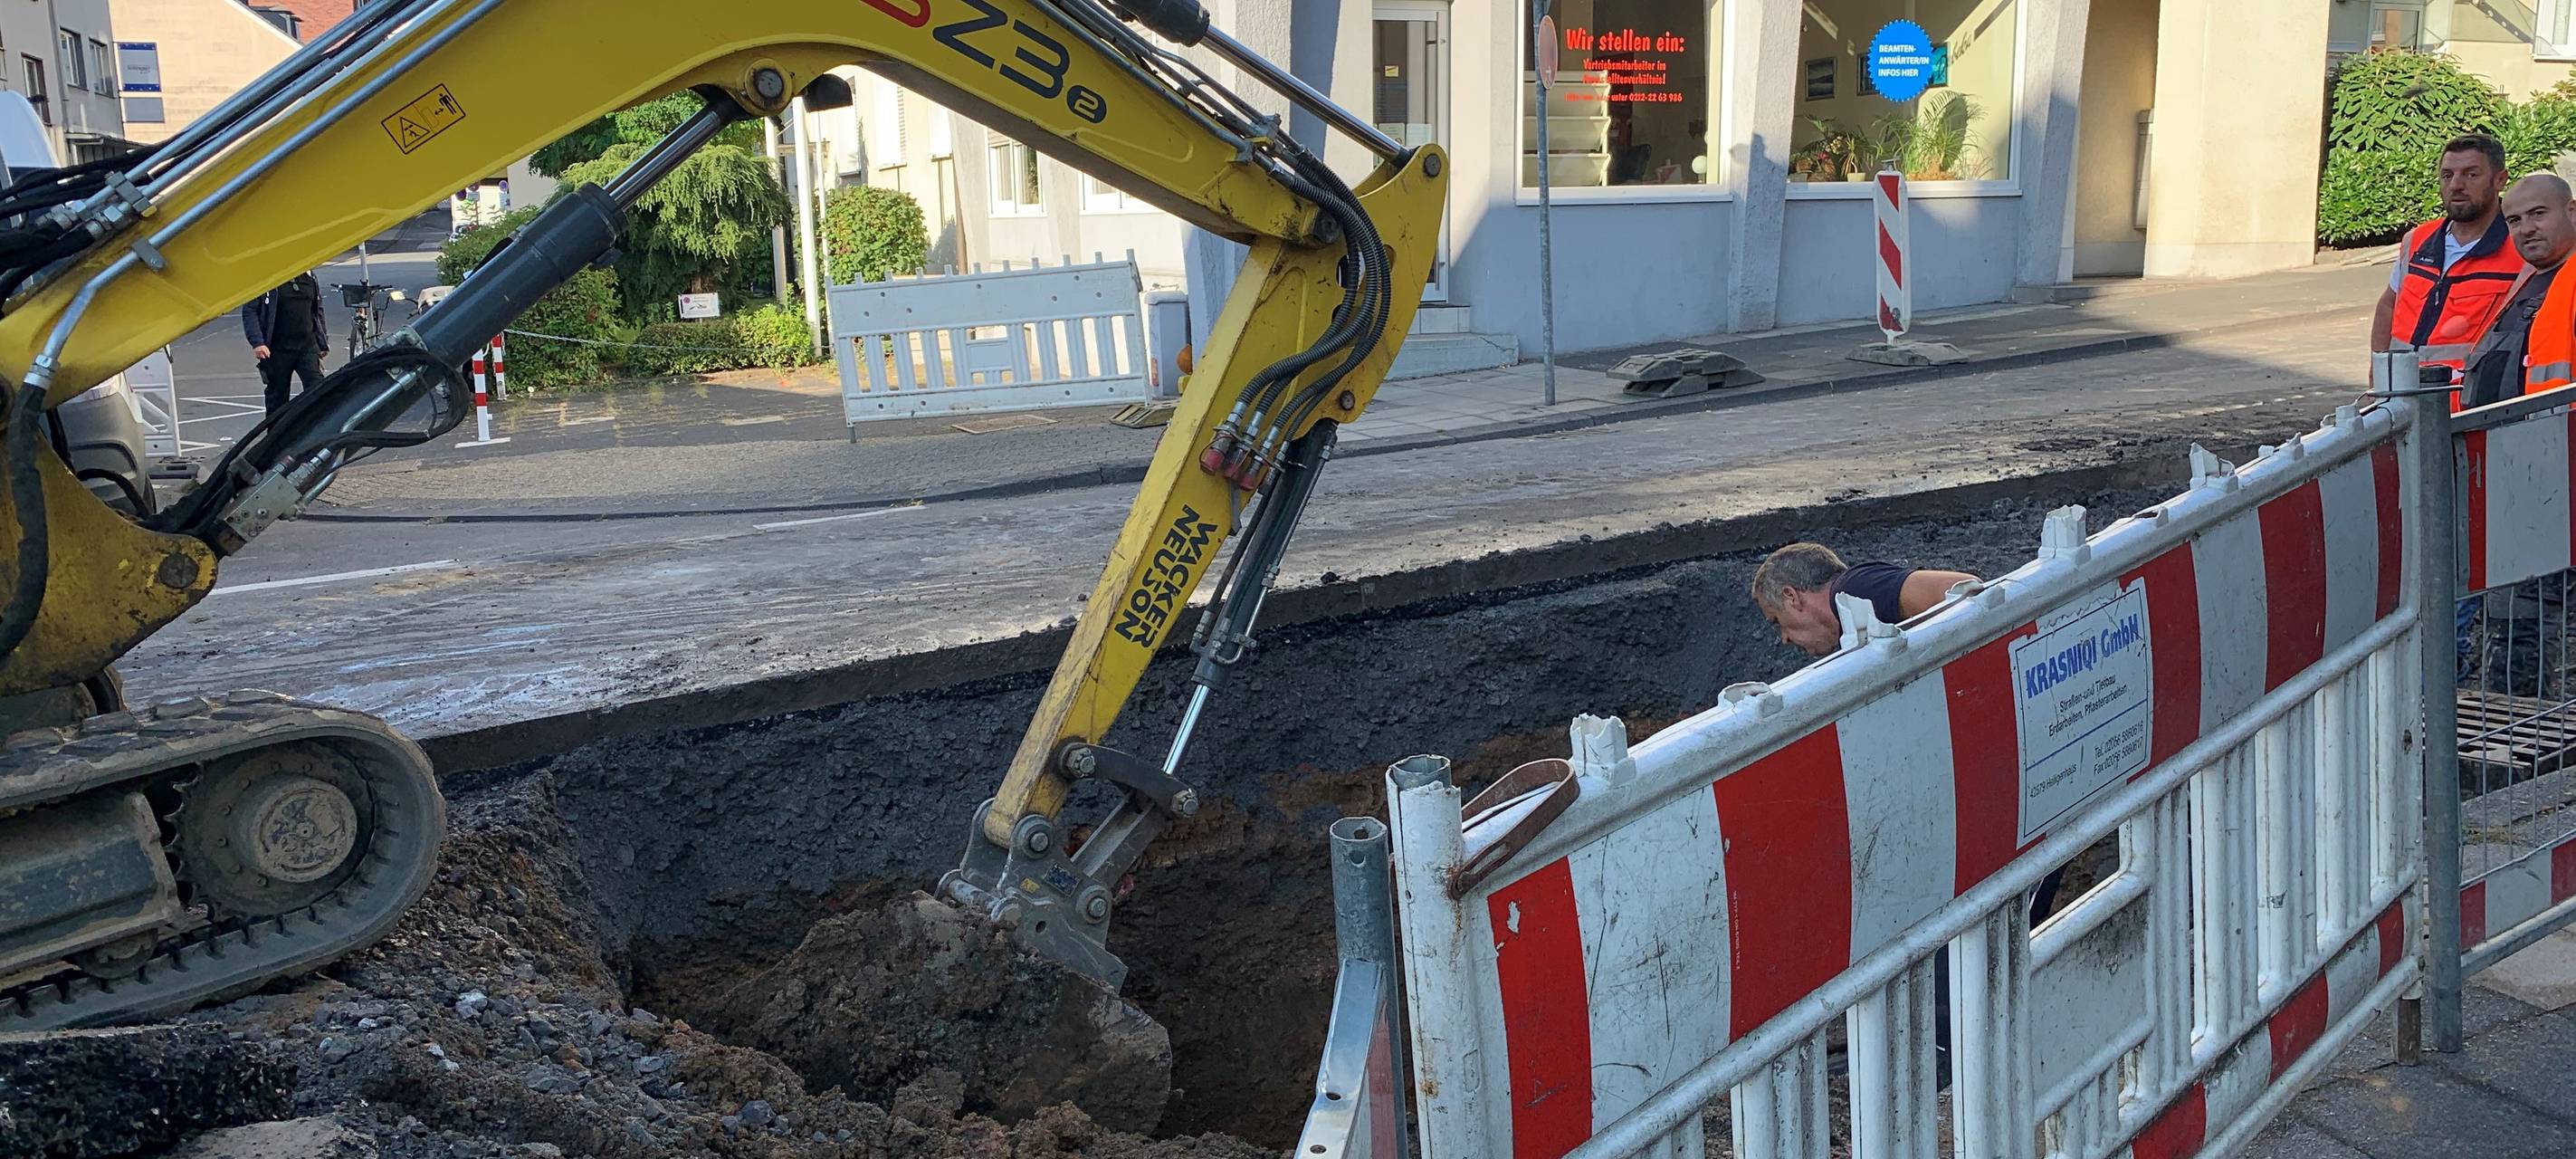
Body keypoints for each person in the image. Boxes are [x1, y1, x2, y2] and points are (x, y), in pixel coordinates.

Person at [2374, 135, 2522, 391]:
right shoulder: (2417, 240)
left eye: (2471, 175)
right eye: (2447, 175)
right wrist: (2376, 379)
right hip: (2400, 397)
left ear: (2500, 179)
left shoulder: (2521, 249)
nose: (2456, 185)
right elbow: (2389, 305)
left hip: (2467, 408)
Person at [1749, 542, 1978, 657]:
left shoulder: (1854, 588)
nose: (1784, 638)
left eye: (1778, 621)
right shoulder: (1850, 614)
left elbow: (1964, 588)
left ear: (1791, 597)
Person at [241, 271, 329, 416]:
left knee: (318, 390)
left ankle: (317, 431)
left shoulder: (310, 277)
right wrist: (257, 342)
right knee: (277, 398)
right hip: (277, 349)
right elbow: (250, 310)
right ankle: (276, 434)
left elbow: (317, 311)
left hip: (307, 346)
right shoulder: (267, 279)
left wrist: (322, 341)